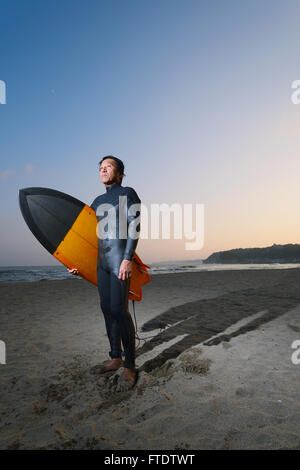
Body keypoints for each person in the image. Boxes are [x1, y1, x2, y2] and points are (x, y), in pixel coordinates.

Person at [69, 156, 141, 391]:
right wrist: (76, 263)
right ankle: (115, 356)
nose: (102, 169)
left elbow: (134, 226)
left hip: (119, 260)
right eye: (100, 167)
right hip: (101, 262)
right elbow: (87, 237)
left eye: (108, 166)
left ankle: (130, 366)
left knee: (120, 310)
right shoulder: (97, 201)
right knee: (106, 309)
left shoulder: (128, 192)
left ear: (119, 173)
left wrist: (128, 259)